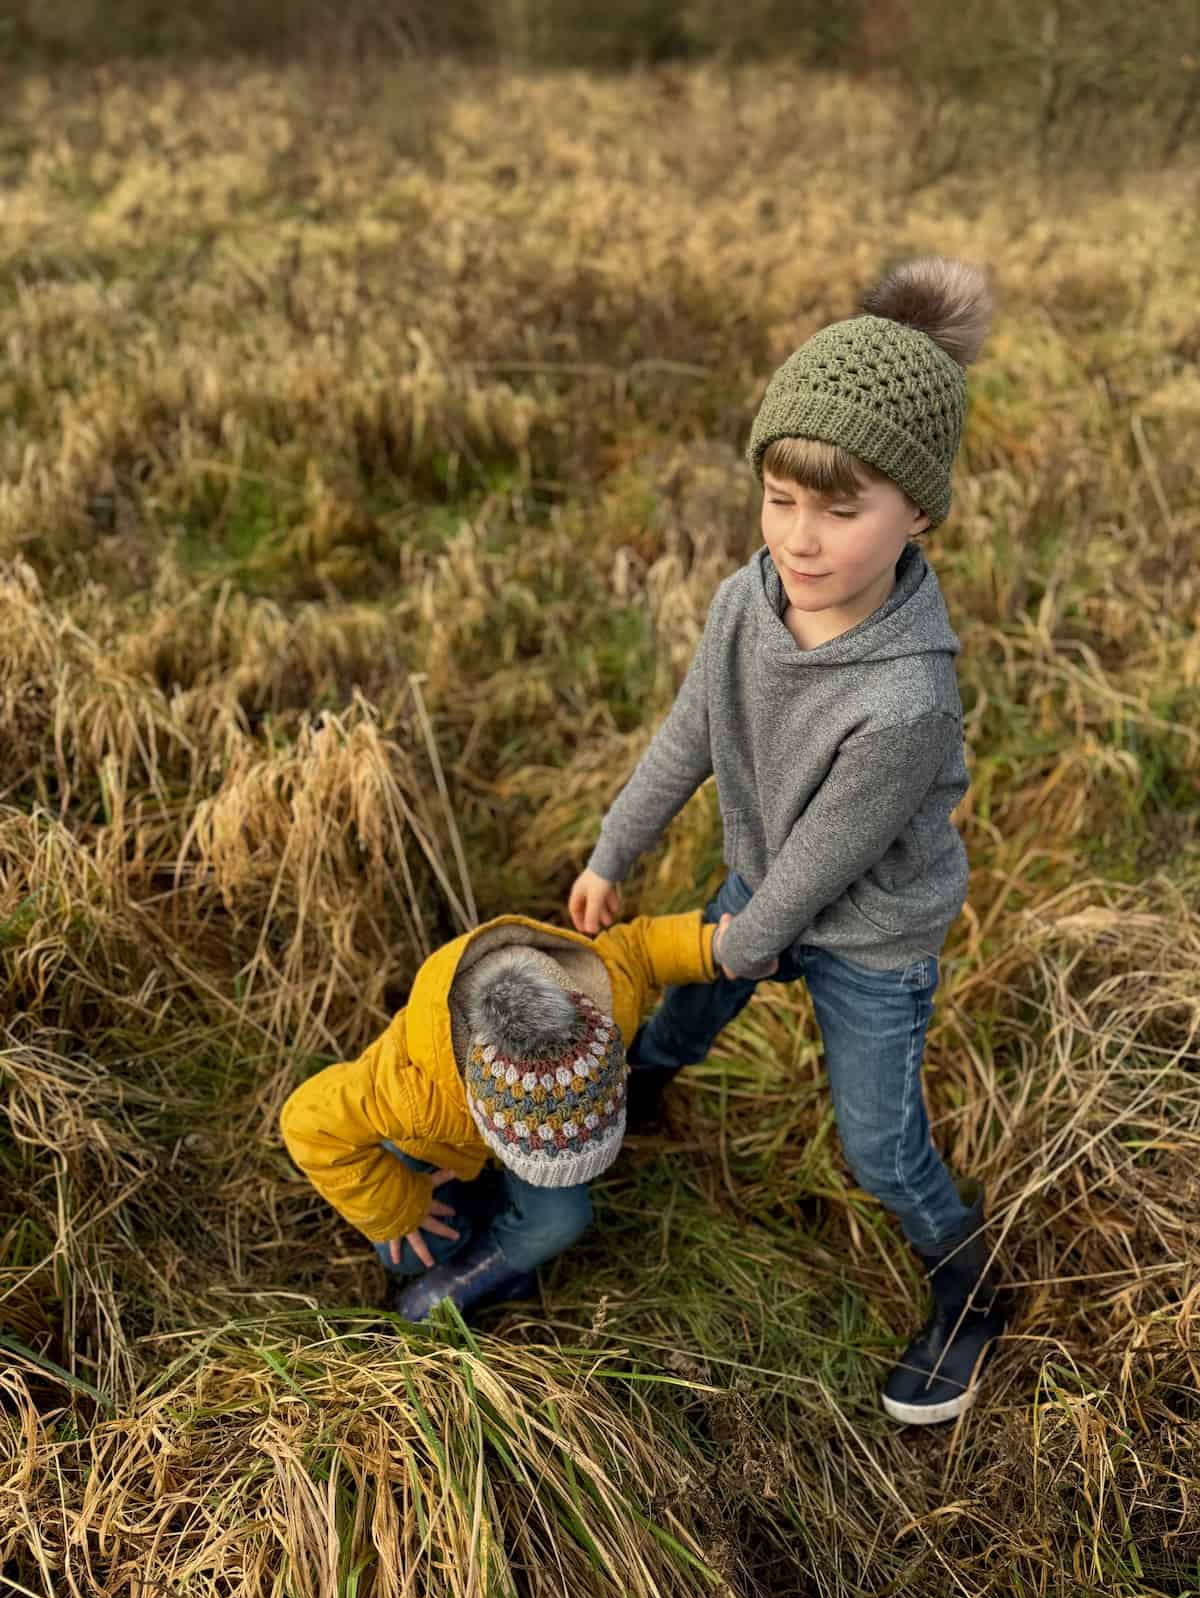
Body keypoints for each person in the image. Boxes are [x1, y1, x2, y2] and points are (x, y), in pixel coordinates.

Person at [568, 258, 1008, 1425]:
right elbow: (690, 734)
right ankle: (638, 1093)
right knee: (687, 1012)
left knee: (877, 1140)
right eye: (780, 496)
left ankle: (966, 1288)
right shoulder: (744, 601)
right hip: (761, 877)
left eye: (840, 506)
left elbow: (825, 865)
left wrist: (737, 939)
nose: (801, 539)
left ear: (916, 509)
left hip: (866, 931)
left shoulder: (906, 695)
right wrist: (615, 851)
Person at [280, 906, 755, 1322]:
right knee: (407, 1253)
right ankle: (472, 1220)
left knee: (561, 1217)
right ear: (481, 1113)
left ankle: (487, 1269)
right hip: (435, 1149)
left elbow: (639, 948)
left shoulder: (605, 1002)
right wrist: (401, 1205)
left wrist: (710, 945)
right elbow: (307, 1122)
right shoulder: (406, 1092)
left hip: (507, 1137)